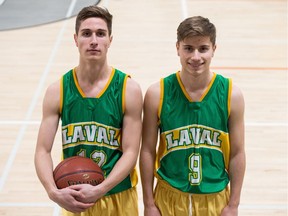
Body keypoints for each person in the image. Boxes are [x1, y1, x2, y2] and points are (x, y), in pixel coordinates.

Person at [34, 5, 143, 216]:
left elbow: (131, 151)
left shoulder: (129, 89)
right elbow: (42, 150)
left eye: (101, 34)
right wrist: (52, 191)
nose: (94, 40)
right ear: (76, 39)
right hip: (76, 199)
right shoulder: (57, 90)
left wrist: (100, 189)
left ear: (110, 39)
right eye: (86, 33)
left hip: (118, 196)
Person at [140, 16, 245, 216]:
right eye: (188, 48)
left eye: (203, 48)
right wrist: (148, 204)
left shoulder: (232, 95)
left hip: (214, 199)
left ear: (214, 48)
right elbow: (146, 150)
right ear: (177, 47)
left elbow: (238, 153)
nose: (195, 57)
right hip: (168, 197)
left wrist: (233, 205)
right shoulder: (157, 93)